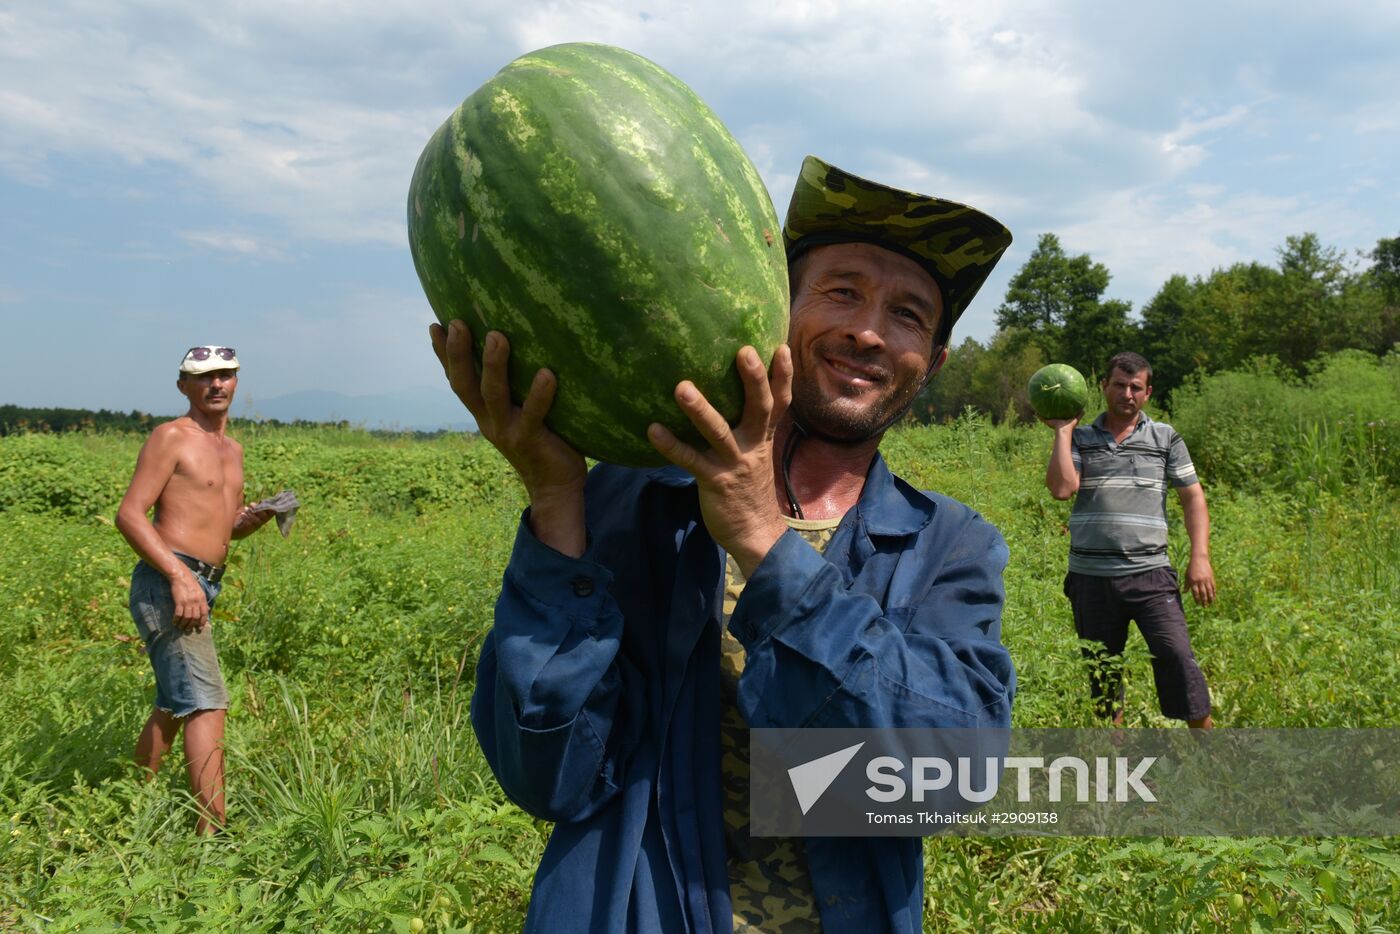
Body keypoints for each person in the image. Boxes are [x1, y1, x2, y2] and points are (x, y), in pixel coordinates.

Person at [431, 156, 1016, 932]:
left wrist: (764, 545)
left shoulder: (948, 545)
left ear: (931, 364)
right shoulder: (626, 501)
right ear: (775, 308)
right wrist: (556, 498)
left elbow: (944, 779)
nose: (868, 331)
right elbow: (549, 778)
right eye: (841, 291)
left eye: (908, 314)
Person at [115, 345, 275, 834]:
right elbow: (129, 515)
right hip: (170, 582)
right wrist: (180, 577)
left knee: (174, 700)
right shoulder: (171, 437)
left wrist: (252, 520)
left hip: (202, 581)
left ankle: (130, 804)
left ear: (236, 382)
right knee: (207, 701)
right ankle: (214, 836)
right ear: (183, 386)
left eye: (225, 375)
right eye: (203, 377)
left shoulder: (233, 449)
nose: (216, 385)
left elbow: (219, 524)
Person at [1042, 351, 1215, 729]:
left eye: (1136, 387)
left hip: (1150, 574)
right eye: (1119, 385)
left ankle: (1210, 757)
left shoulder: (1164, 437)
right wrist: (1062, 430)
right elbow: (1061, 488)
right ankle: (1115, 761)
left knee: (1178, 657)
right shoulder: (1082, 438)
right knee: (1103, 671)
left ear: (1148, 392)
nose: (1127, 394)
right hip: (1091, 577)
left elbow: (1193, 497)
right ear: (1104, 386)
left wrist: (1199, 556)